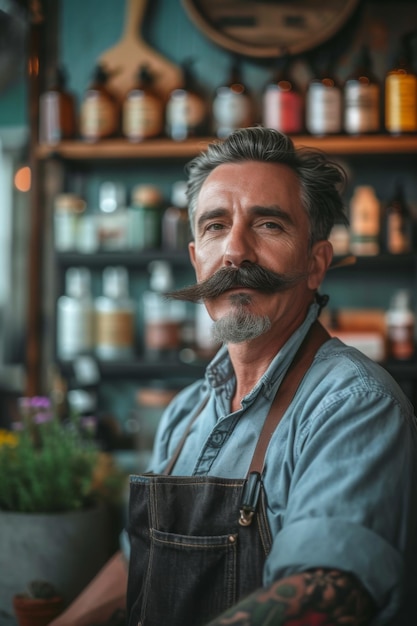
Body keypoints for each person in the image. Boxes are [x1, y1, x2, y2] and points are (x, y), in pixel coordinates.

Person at [126, 127, 417, 626]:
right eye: (215, 226)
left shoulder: (354, 404)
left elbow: (325, 590)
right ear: (197, 260)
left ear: (315, 263)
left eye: (268, 225)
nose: (235, 251)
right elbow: (134, 558)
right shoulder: (182, 415)